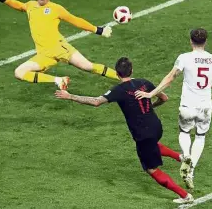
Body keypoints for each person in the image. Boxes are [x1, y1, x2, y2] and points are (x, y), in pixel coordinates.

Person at [55, 57, 194, 204]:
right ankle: (181, 157)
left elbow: (96, 102)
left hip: (143, 133)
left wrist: (70, 96)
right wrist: (150, 107)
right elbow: (164, 98)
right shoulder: (144, 82)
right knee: (152, 145)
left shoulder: (119, 90)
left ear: (117, 73)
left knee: (151, 169)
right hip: (156, 126)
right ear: (132, 70)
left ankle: (185, 196)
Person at [135, 28, 212, 190]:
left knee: (184, 133)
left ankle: (186, 157)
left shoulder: (184, 58)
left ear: (191, 41)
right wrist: (205, 86)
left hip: (187, 105)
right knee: (200, 137)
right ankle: (191, 170)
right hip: (205, 106)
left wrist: (151, 94)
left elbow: (170, 78)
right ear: (205, 42)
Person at [0, 0, 118, 90]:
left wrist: (98, 30)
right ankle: (59, 80)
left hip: (60, 48)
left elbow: (75, 20)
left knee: (88, 66)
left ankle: (124, 78)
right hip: (43, 54)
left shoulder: (55, 9)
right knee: (19, 72)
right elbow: (20, 6)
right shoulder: (30, 5)